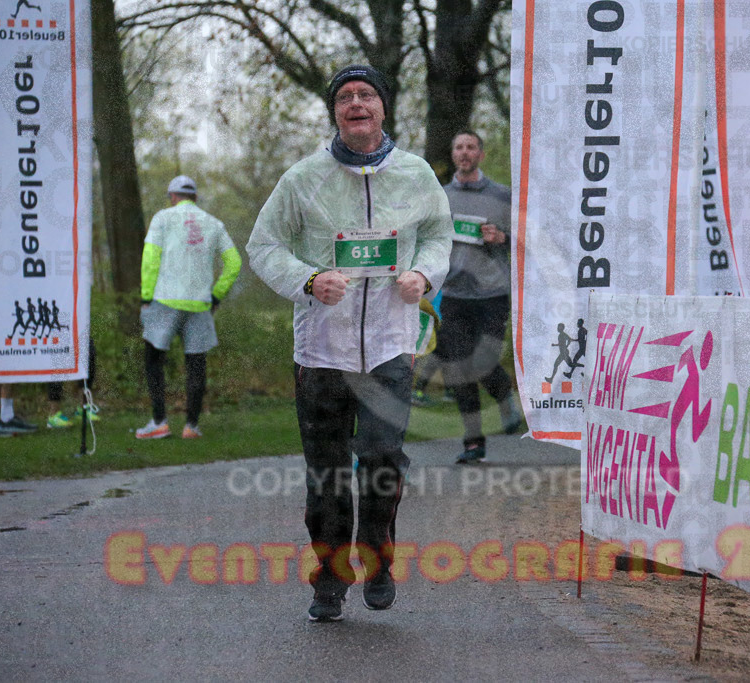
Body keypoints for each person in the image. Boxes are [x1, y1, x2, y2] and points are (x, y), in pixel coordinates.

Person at [246, 64, 452, 622]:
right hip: (321, 352)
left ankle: (378, 560)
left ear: (384, 108)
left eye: (366, 95)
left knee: (383, 461)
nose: (356, 103)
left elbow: (438, 234)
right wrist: (308, 280)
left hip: (389, 345)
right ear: (335, 111)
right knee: (328, 474)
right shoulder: (303, 178)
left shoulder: (414, 175)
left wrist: (425, 274)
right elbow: (263, 246)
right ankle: (331, 578)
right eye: (345, 97)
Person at [436, 130, 522, 464]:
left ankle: (504, 396)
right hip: (455, 292)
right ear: (454, 154)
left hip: (492, 292)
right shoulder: (440, 196)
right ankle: (473, 442)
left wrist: (502, 236)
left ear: (480, 155)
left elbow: (526, 241)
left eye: (471, 147)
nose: (465, 152)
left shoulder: (503, 196)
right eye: (459, 147)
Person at [135, 175, 241, 439]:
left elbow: (150, 259)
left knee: (153, 360)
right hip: (199, 303)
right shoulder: (214, 224)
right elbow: (234, 263)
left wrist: (146, 295)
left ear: (172, 197)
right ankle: (191, 426)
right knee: (196, 364)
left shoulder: (162, 218)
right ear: (195, 198)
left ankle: (159, 422)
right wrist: (216, 296)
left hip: (164, 299)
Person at [46, 337, 100, 428]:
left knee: (89, 353)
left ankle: (83, 409)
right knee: (57, 361)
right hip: (56, 329)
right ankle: (53, 415)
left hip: (77, 325)